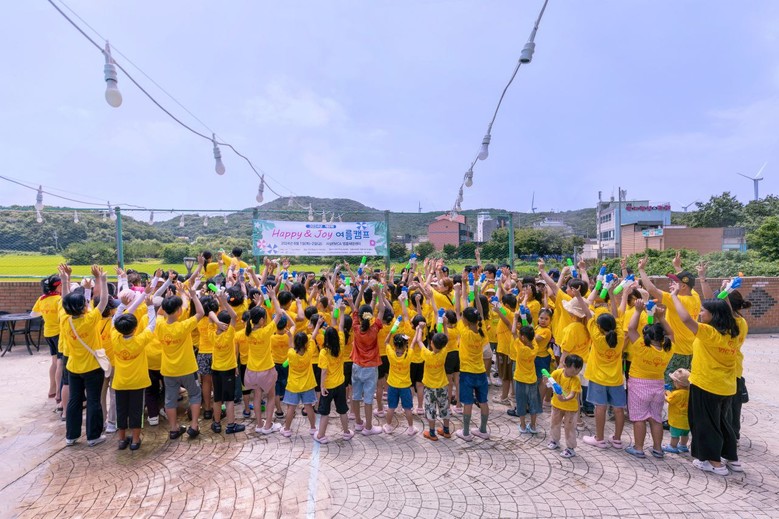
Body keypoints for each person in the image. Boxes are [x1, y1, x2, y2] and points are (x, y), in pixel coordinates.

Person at [670, 282, 740, 475]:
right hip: (726, 387)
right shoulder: (735, 331)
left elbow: (685, 318)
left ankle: (714, 463)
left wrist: (674, 296)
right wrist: (726, 293)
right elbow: (728, 311)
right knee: (722, 423)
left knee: (706, 425)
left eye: (703, 311)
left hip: (706, 385)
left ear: (713, 315)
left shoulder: (709, 333)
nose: (700, 314)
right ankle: (731, 458)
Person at [61, 265, 110, 447]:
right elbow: (103, 301)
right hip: (92, 368)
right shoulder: (90, 320)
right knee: (93, 401)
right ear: (83, 307)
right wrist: (102, 280)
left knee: (74, 401)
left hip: (73, 368)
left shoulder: (65, 320)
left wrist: (65, 280)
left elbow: (65, 299)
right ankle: (93, 436)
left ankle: (71, 436)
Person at [638, 253, 701, 383]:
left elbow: (651, 289)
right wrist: (677, 266)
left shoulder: (676, 300)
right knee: (685, 383)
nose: (671, 284)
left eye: (674, 282)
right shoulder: (695, 296)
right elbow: (687, 281)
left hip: (676, 351)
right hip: (691, 349)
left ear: (683, 286)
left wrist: (641, 269)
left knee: (671, 384)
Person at [578, 286, 627, 451]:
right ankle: (617, 439)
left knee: (600, 407)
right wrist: (612, 296)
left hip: (598, 378)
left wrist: (578, 296)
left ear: (599, 327)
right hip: (616, 379)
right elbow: (616, 315)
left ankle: (599, 439)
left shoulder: (597, 337)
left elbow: (587, 312)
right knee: (619, 409)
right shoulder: (620, 336)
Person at [624, 300, 673, 459]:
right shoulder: (667, 348)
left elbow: (631, 329)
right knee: (655, 418)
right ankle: (658, 449)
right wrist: (662, 317)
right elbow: (671, 334)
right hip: (658, 386)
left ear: (647, 336)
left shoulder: (641, 347)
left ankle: (639, 448)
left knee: (639, 418)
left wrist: (638, 311)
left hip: (638, 385)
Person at [157, 286, 206, 440]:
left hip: (168, 370)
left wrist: (167, 299)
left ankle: (173, 429)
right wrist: (193, 296)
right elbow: (200, 313)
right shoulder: (183, 326)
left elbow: (159, 313)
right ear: (179, 311)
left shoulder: (160, 325)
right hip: (187, 368)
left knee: (170, 399)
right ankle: (194, 426)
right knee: (195, 395)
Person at [111, 297, 157, 450]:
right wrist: (150, 307)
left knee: (121, 410)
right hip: (138, 382)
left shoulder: (115, 337)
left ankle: (121, 440)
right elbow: (152, 325)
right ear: (135, 328)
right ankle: (135, 441)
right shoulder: (140, 340)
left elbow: (114, 321)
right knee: (136, 411)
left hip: (120, 382)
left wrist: (122, 305)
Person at [243, 289, 285, 435]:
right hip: (266, 370)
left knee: (257, 397)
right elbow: (279, 314)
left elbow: (251, 317)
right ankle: (268, 426)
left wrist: (259, 304)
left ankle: (259, 424)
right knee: (271, 396)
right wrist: (273, 296)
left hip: (251, 371)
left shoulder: (247, 331)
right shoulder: (266, 331)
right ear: (261, 320)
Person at [455, 280, 491, 442]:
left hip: (467, 373)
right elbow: (480, 313)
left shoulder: (465, 333)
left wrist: (458, 293)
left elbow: (458, 311)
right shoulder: (482, 330)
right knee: (483, 401)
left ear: (467, 321)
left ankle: (466, 432)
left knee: (468, 403)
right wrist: (476, 295)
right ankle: (483, 430)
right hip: (481, 372)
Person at [314, 302, 353, 443]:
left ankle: (321, 435)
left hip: (328, 386)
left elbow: (324, 371)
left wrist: (322, 386)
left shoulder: (324, 352)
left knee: (325, 412)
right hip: (340, 384)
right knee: (342, 410)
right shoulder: (341, 345)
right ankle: (346, 432)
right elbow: (341, 326)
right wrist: (342, 311)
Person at [350, 289, 386, 436]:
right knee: (369, 398)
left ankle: (358, 422)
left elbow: (355, 307)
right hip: (370, 367)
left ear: (359, 316)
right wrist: (379, 294)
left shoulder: (356, 328)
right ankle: (369, 427)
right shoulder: (375, 329)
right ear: (371, 316)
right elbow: (382, 309)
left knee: (356, 395)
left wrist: (361, 289)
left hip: (356, 366)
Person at [209, 291, 245, 434]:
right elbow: (234, 316)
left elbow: (210, 314)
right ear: (228, 324)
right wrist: (224, 301)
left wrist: (217, 320)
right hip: (228, 369)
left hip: (216, 369)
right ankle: (231, 425)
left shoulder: (212, 333)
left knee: (217, 398)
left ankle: (217, 424)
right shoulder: (230, 333)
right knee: (229, 399)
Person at [281, 329, 318, 437]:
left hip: (293, 385)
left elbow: (290, 346)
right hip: (307, 385)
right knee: (309, 407)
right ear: (306, 343)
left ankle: (287, 429)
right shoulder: (309, 353)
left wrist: (290, 336)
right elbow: (313, 337)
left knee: (291, 408)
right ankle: (313, 428)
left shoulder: (291, 354)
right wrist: (317, 325)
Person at [32, 274, 62, 401]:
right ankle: (59, 392)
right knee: (60, 362)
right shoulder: (59, 299)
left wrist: (46, 314)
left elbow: (33, 314)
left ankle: (52, 389)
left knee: (54, 361)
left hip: (48, 333)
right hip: (59, 333)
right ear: (59, 286)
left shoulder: (42, 299)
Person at [547, 354, 584, 458]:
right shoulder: (557, 373)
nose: (575, 372)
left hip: (570, 409)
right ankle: (554, 440)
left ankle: (570, 448)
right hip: (556, 405)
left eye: (578, 369)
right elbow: (549, 382)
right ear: (565, 365)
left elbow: (573, 394)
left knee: (569, 428)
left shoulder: (576, 380)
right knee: (554, 423)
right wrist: (546, 380)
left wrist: (565, 399)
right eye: (573, 369)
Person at [383, 333, 418, 436]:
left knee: (391, 407)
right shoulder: (408, 355)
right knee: (407, 408)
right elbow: (413, 343)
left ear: (394, 345)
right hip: (405, 386)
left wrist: (391, 332)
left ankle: (388, 426)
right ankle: (411, 428)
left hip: (392, 385)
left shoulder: (391, 354)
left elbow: (386, 342)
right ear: (405, 345)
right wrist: (418, 330)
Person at [511, 320, 541, 434]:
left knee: (521, 402)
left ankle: (523, 426)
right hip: (532, 379)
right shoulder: (535, 347)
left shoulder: (520, 348)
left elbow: (513, 332)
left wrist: (515, 318)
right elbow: (530, 336)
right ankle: (533, 426)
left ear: (523, 337)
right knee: (533, 403)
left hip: (520, 379)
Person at [420, 331, 451, 441]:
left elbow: (419, 341)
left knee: (430, 409)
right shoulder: (444, 352)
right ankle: (446, 431)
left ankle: (432, 433)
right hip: (442, 386)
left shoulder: (427, 355)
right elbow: (447, 338)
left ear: (431, 343)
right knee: (444, 408)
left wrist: (419, 329)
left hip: (429, 388)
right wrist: (444, 326)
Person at [663, 368, 690, 454]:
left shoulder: (676, 393)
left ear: (677, 383)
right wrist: (669, 393)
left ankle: (673, 446)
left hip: (676, 420)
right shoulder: (690, 393)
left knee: (675, 435)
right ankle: (683, 445)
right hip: (687, 421)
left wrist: (664, 394)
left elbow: (669, 400)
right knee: (685, 434)